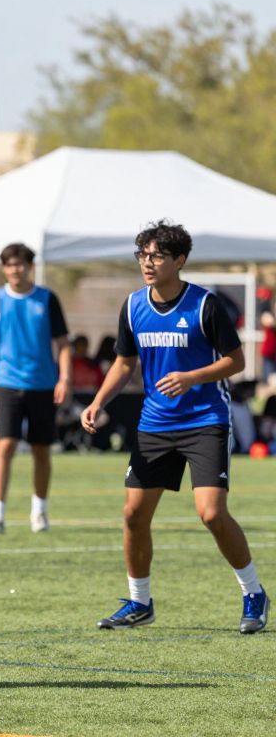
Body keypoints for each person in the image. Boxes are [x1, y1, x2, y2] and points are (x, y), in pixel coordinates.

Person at [82, 220, 268, 634]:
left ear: (179, 260)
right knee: (133, 515)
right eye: (142, 255)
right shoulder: (133, 306)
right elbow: (125, 363)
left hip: (205, 421)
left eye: (157, 256)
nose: (147, 263)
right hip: (155, 424)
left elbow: (236, 362)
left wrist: (191, 377)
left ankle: (253, 592)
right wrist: (97, 401)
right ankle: (139, 602)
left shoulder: (205, 305)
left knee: (211, 514)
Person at [0, 243, 71, 534]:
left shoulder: (46, 299)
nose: (15, 270)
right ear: (4, 269)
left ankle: (39, 511)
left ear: (30, 267)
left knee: (41, 451)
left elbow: (63, 343)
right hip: (6, 384)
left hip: (42, 385)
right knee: (4, 446)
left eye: (20, 264)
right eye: (9, 265)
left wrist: (64, 378)